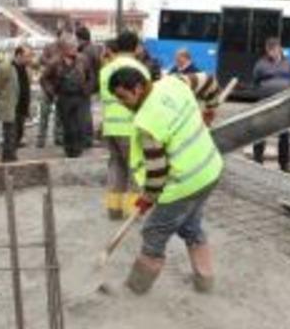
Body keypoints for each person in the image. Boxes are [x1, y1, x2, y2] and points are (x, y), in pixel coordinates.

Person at [108, 67, 222, 295]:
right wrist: (211, 108)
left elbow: (158, 173)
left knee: (154, 232)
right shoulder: (174, 82)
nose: (121, 103)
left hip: (185, 183)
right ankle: (205, 280)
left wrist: (147, 199)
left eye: (123, 97)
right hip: (210, 170)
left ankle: (135, 289)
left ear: (138, 89)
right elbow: (207, 81)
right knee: (190, 226)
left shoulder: (147, 123)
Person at [99, 31, 150, 219]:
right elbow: (145, 101)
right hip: (131, 129)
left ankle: (114, 209)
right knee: (136, 170)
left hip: (110, 128)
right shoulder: (141, 70)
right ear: (136, 47)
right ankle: (133, 211)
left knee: (115, 167)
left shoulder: (105, 70)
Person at [41, 37, 94, 159]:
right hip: (64, 97)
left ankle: (79, 148)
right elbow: (44, 79)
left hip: (80, 96)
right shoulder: (54, 62)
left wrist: (87, 89)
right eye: (71, 47)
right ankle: (70, 149)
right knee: (68, 126)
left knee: (81, 123)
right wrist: (52, 93)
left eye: (75, 46)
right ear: (63, 49)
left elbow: (91, 76)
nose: (74, 49)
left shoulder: (83, 60)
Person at [252, 37, 290, 173]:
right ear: (267, 50)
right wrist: (263, 93)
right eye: (270, 49)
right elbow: (255, 81)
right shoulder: (260, 64)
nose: (273, 51)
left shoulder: (289, 64)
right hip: (266, 105)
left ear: (280, 48)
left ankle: (285, 164)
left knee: (284, 135)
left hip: (283, 105)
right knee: (260, 134)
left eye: (275, 48)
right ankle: (257, 161)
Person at [0, 46, 34, 162]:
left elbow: (27, 87)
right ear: (18, 55)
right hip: (10, 106)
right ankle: (9, 158)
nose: (29, 59)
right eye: (27, 56)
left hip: (22, 107)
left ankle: (10, 156)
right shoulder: (6, 67)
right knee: (9, 135)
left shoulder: (27, 69)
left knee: (19, 133)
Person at [36, 32, 65, 148]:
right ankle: (41, 139)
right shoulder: (49, 47)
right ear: (58, 37)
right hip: (47, 84)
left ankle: (58, 137)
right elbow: (41, 59)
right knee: (44, 113)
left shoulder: (66, 48)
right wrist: (51, 63)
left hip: (59, 85)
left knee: (59, 114)